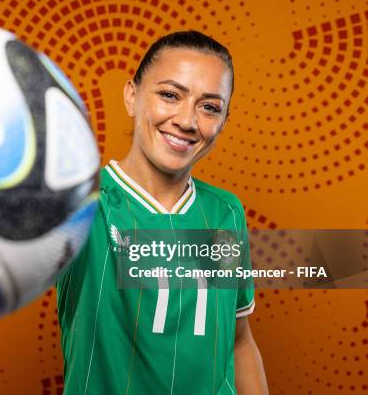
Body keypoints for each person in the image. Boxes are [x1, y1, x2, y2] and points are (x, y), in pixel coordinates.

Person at [56, 31, 268, 394]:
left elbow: (239, 341)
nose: (187, 121)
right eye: (170, 95)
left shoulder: (225, 212)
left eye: (210, 106)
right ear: (132, 96)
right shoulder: (79, 201)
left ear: (223, 121)